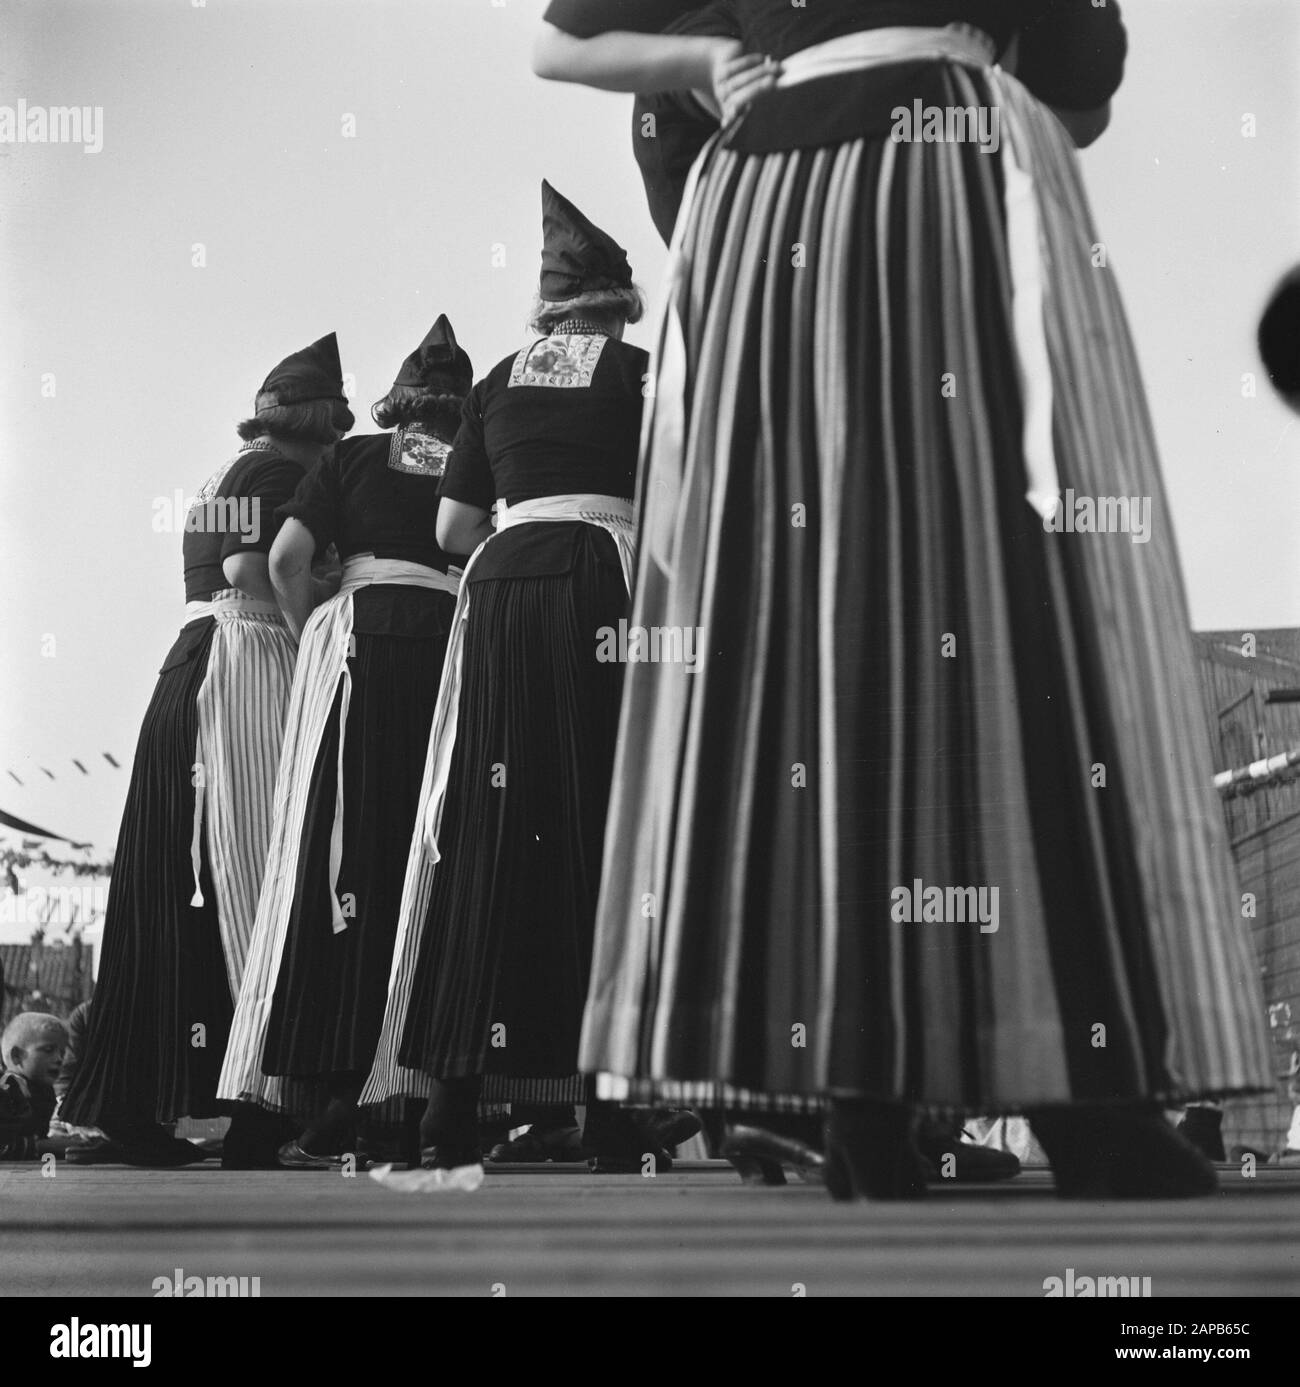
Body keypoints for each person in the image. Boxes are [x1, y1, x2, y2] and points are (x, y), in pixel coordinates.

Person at [534, 2, 1275, 1199]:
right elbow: (1080, 94)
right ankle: (1076, 1099)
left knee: (801, 629)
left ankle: (855, 1099)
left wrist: (714, 61)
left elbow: (558, 43)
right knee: (1008, 593)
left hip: (767, 200)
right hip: (947, 173)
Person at [360, 183, 664, 1182]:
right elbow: (675, 506)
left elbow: (452, 532)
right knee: (600, 822)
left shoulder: (491, 381)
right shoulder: (637, 372)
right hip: (597, 577)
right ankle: (612, 1112)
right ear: (617, 301)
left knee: (485, 830)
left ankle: (450, 1103)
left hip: (496, 586)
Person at [60, 335, 353, 1168]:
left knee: (168, 889)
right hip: (246, 663)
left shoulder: (218, 477)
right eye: (332, 433)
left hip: (188, 662)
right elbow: (252, 568)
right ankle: (264, 1097)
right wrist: (322, 609)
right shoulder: (276, 478)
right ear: (317, 426)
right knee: (260, 877)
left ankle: (128, 1098)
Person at [217, 316, 474, 1169]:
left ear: (395, 404)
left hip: (354, 649)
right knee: (427, 866)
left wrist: (314, 637)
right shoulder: (475, 464)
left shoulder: (351, 457)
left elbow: (287, 561)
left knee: (326, 865)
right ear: (459, 412)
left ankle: (302, 1095)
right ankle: (400, 1097)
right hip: (444, 645)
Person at [1, 1012, 69, 1160]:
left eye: (62, 1053)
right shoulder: (7, 1090)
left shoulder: (43, 1089)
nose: (59, 1059)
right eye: (48, 1050)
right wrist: (41, 1147)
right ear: (17, 1056)